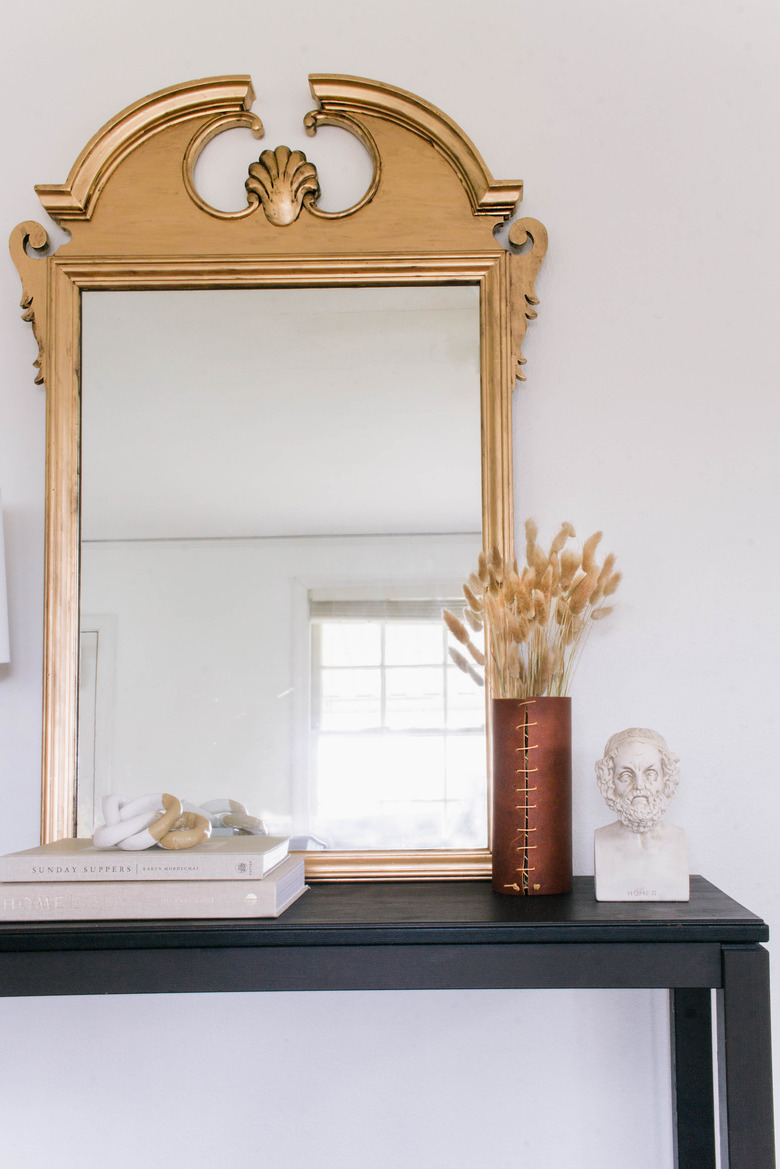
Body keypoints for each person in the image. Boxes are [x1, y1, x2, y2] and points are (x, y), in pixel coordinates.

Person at [593, 728, 688, 901]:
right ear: (609, 781)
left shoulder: (678, 838)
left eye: (650, 774)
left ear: (666, 778)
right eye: (626, 775)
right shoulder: (602, 839)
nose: (639, 786)